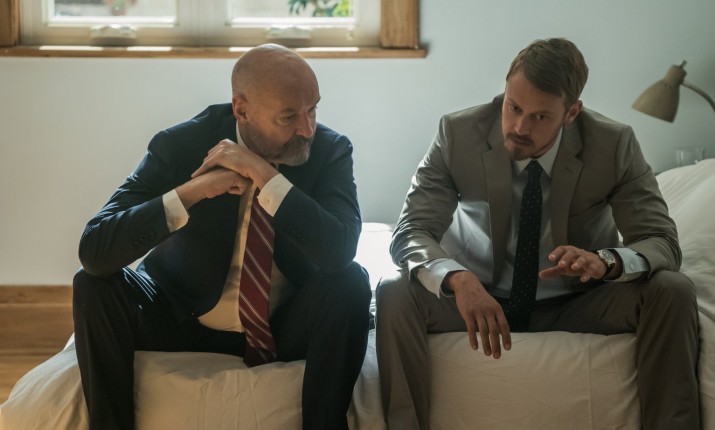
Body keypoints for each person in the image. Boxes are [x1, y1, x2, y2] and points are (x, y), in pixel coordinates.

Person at [376, 37, 700, 430]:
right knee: (394, 290)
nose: (519, 127)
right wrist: (458, 279)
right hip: (477, 297)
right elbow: (412, 230)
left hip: (577, 301)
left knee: (672, 290)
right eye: (513, 107)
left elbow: (661, 240)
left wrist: (606, 262)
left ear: (571, 112)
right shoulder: (457, 134)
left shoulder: (613, 145)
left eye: (540, 117)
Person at [73, 43, 372, 430]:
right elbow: (94, 250)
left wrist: (266, 177)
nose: (307, 129)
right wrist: (191, 192)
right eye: (289, 117)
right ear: (241, 110)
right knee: (93, 285)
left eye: (313, 109)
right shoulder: (180, 144)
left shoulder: (329, 151)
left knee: (351, 282)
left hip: (285, 322)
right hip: (181, 316)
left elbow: (339, 251)